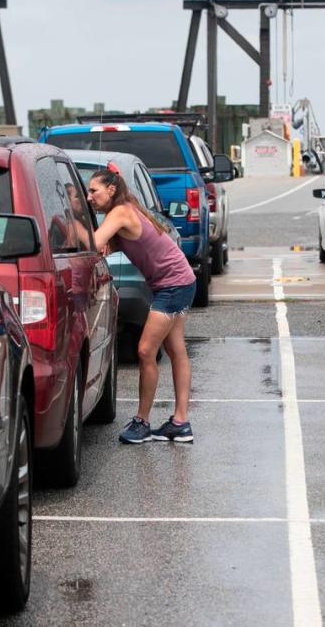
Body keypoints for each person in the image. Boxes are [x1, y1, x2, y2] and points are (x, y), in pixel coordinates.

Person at [87, 167, 197, 444]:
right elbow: (105, 246)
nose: (89, 197)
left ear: (111, 189)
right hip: (178, 281)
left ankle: (142, 422)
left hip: (174, 285)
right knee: (175, 349)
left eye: (93, 191)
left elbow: (94, 243)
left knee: (146, 350)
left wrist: (71, 224)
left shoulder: (121, 212)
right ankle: (180, 423)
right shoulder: (123, 211)